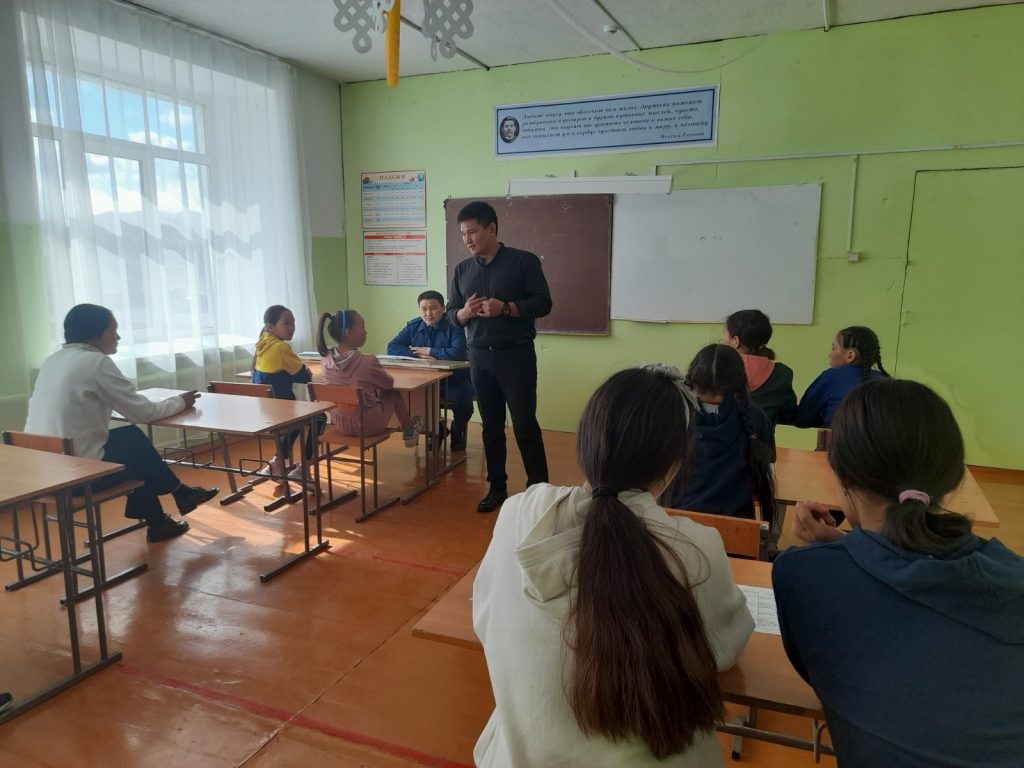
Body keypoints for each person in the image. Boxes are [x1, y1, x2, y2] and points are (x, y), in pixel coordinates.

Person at [472, 364, 754, 767]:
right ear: (674, 466)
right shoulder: (694, 548)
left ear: (584, 443)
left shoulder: (519, 512)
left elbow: (483, 616)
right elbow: (723, 650)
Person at [772, 379, 1024, 767]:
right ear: (953, 477)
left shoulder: (801, 574)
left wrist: (839, 549)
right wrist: (847, 544)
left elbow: (827, 674)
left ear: (839, 474)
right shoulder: (1011, 576)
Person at [24, 304, 218, 543]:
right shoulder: (95, 362)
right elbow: (144, 413)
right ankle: (176, 497)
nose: (118, 337)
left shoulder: (53, 360)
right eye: (112, 331)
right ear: (93, 335)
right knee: (136, 452)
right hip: (75, 478)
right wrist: (180, 402)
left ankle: (163, 517)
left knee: (129, 440)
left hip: (43, 471)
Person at [447, 201, 552, 513]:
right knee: (491, 426)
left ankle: (538, 490)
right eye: (463, 234)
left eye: (472, 232)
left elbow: (543, 303)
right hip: (479, 358)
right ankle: (497, 487)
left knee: (524, 424)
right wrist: (463, 313)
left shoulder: (523, 262)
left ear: (491, 228)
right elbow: (451, 313)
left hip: (515, 356)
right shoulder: (462, 270)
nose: (467, 239)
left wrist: (505, 308)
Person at [668, 344, 776, 525]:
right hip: (737, 527)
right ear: (739, 381)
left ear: (692, 379)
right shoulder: (754, 417)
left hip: (675, 522)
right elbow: (769, 462)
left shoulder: (676, 414)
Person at [316, 309, 422, 444]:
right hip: (368, 425)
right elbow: (388, 384)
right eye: (362, 327)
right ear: (349, 332)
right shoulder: (367, 362)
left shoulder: (325, 360)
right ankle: (409, 431)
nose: (366, 332)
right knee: (392, 394)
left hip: (340, 423)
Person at [387, 290, 474, 451]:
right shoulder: (413, 326)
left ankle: (457, 431)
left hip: (454, 381)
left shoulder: (454, 326)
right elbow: (392, 347)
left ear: (443, 308)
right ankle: (438, 430)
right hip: (425, 381)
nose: (428, 313)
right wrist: (418, 355)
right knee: (414, 399)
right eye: (424, 309)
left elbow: (459, 353)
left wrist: (429, 351)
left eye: (433, 308)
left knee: (463, 404)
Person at [252, 304, 318, 483]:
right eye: (286, 323)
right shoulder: (281, 348)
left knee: (297, 421)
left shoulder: (261, 345)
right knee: (318, 419)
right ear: (270, 327)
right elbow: (304, 377)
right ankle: (303, 468)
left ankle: (277, 462)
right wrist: (305, 371)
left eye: (293, 323)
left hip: (267, 410)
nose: (292, 327)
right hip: (282, 411)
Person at [785, 325, 889, 428]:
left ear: (850, 355)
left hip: (838, 438)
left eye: (833, 348)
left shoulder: (830, 377)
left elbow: (802, 419)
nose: (830, 354)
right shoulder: (886, 381)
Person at [722, 309, 796, 424]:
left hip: (720, 435)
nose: (722, 341)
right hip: (761, 435)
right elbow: (789, 411)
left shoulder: (716, 368)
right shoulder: (782, 373)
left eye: (724, 334)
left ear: (736, 341)